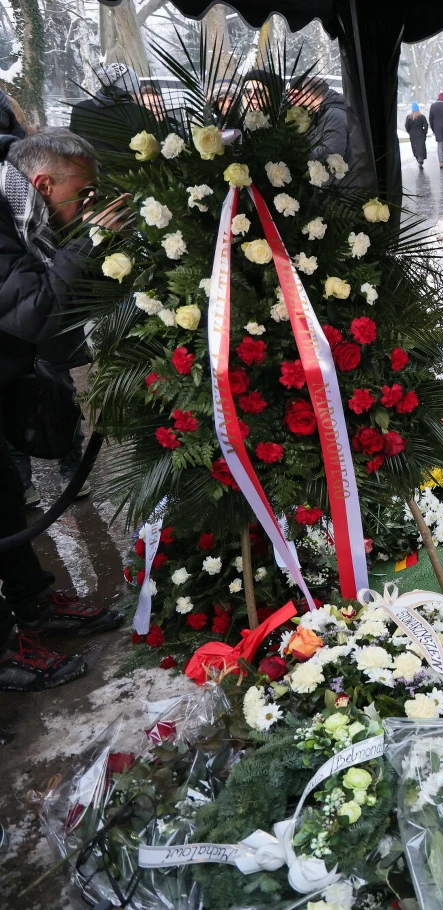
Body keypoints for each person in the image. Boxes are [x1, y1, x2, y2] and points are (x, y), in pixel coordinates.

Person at [0, 128, 125, 690]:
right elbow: (35, 313)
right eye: (82, 195)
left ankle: (34, 608)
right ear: (43, 185)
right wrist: (88, 245)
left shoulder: (25, 212)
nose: (88, 209)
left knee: (4, 500)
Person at [68, 64, 149, 155]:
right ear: (131, 88)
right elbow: (152, 151)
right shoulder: (141, 114)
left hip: (89, 168)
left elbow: (73, 144)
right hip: (130, 169)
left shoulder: (80, 109)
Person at [288, 75, 352, 165]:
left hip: (344, 177)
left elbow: (331, 153)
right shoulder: (323, 112)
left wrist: (302, 156)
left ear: (309, 96)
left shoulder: (333, 115)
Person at [405, 101, 429, 170]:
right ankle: (420, 160)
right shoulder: (421, 117)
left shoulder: (409, 117)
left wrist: (409, 132)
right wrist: (424, 132)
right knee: (421, 147)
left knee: (415, 148)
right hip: (420, 133)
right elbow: (426, 125)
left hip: (413, 135)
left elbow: (407, 126)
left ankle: (418, 159)